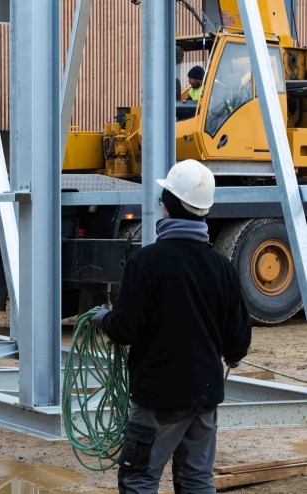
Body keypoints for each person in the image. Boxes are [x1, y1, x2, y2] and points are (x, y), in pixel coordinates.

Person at [91, 159, 252, 494]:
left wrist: (102, 318)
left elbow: (125, 329)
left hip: (158, 397)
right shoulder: (222, 267)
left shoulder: (146, 262)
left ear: (168, 207)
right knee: (196, 480)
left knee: (139, 479)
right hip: (204, 395)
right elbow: (237, 345)